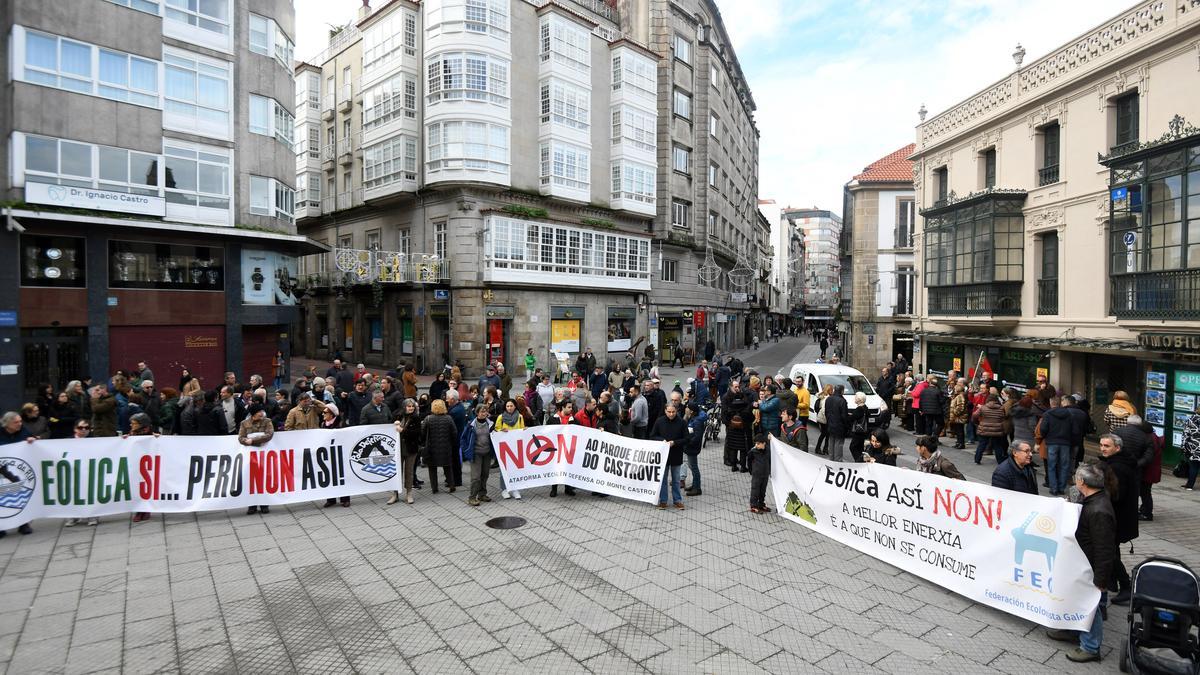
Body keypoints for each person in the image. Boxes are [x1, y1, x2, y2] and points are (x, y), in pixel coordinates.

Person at [1046, 463, 1117, 662]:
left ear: (1081, 482)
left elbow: (1104, 549)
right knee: (1076, 599)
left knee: (1089, 606)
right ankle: (1073, 630)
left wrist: (1101, 580)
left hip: (1091, 568)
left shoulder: (1099, 510)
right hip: (1081, 562)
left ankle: (1091, 646)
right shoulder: (1093, 500)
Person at [1097, 433, 1139, 605]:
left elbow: (1116, 495)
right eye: (1101, 445)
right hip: (1118, 516)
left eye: (1106, 446)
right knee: (1112, 550)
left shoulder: (1118, 467)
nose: (1102, 448)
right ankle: (1112, 581)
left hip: (1116, 517)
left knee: (1108, 552)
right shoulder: (1118, 462)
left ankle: (1126, 585)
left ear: (1117, 448)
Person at [238, 404, 275, 515]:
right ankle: (252, 505)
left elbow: (269, 435)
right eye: (259, 411)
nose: (262, 413)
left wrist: (252, 440)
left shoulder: (267, 421)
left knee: (264, 479)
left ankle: (264, 504)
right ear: (254, 413)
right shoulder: (244, 423)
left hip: (264, 455)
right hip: (250, 456)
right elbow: (240, 437)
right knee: (250, 480)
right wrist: (245, 440)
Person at [651, 403, 688, 510]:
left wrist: (674, 442)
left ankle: (677, 500)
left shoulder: (682, 422)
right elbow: (652, 436)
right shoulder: (659, 421)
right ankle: (663, 501)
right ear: (665, 411)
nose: (671, 414)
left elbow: (686, 439)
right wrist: (661, 440)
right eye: (669, 412)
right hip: (663, 456)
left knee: (676, 479)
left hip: (676, 455)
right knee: (663, 479)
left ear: (676, 411)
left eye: (673, 412)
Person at [388, 399, 423, 505]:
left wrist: (403, 431)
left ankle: (409, 493)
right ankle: (395, 494)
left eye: (412, 406)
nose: (411, 408)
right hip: (398, 448)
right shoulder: (398, 415)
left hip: (410, 448)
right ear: (404, 407)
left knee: (409, 472)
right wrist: (394, 424)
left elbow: (417, 433)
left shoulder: (416, 418)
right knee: (397, 472)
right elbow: (389, 427)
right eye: (409, 406)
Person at [461, 404, 495, 506]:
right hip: (476, 454)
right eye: (482, 412)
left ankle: (482, 494)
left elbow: (496, 434)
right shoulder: (471, 425)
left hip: (487, 453)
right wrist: (466, 450)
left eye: (485, 412)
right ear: (477, 413)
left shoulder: (490, 424)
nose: (484, 414)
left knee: (485, 474)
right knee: (476, 477)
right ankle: (472, 497)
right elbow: (463, 439)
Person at [422, 399, 458, 494]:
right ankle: (451, 485)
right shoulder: (448, 418)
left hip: (431, 447)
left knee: (432, 468)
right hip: (446, 447)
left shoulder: (428, 419)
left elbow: (422, 432)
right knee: (447, 467)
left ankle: (434, 488)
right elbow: (454, 433)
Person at [494, 400, 524, 500]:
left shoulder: (520, 417)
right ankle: (504, 489)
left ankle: (515, 488)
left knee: (516, 468)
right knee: (504, 468)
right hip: (504, 447)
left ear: (515, 406)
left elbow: (522, 429)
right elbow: (496, 430)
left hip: (515, 446)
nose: (509, 408)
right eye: (507, 406)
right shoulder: (501, 417)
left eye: (511, 406)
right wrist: (501, 431)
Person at [972, 394, 1008, 465]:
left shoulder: (983, 408)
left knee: (981, 445)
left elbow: (974, 415)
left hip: (984, 428)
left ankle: (977, 459)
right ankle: (1000, 461)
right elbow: (1003, 417)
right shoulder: (1001, 408)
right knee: (997, 446)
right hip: (997, 429)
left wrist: (978, 423)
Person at [681, 403, 706, 496]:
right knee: (692, 467)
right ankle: (694, 485)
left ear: (691, 411)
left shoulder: (697, 421)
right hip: (689, 448)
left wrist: (688, 443)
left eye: (687, 408)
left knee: (694, 468)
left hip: (692, 449)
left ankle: (697, 488)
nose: (685, 409)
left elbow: (697, 437)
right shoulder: (692, 419)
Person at [823, 385, 850, 462]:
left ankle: (831, 460)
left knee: (831, 443)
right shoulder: (842, 401)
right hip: (839, 426)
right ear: (842, 391)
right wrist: (847, 426)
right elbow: (844, 416)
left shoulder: (828, 399)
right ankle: (837, 462)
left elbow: (826, 412)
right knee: (839, 444)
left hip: (830, 424)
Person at [748, 433, 771, 514]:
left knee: (762, 490)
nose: (756, 445)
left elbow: (770, 460)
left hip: (765, 474)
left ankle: (761, 504)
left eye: (758, 443)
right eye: (756, 443)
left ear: (763, 443)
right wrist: (752, 471)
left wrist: (769, 471)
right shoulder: (753, 451)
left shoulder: (768, 450)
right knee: (755, 490)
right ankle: (753, 505)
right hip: (757, 474)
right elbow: (749, 461)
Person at [847, 393, 869, 462]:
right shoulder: (865, 407)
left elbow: (851, 418)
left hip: (858, 432)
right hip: (864, 431)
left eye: (855, 397)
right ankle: (862, 460)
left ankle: (859, 461)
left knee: (853, 447)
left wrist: (848, 415)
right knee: (860, 448)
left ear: (859, 399)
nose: (854, 398)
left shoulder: (859, 409)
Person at [1182, 409, 1200, 490]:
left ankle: (1189, 485)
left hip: (1194, 446)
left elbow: (1186, 434)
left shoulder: (1191, 420)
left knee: (1194, 466)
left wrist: (1183, 446)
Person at [947, 385, 968, 449]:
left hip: (959, 417)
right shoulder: (957, 396)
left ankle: (961, 444)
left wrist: (955, 412)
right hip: (956, 417)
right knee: (958, 431)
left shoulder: (960, 396)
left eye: (955, 389)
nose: (954, 390)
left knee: (960, 431)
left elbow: (960, 407)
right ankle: (958, 443)